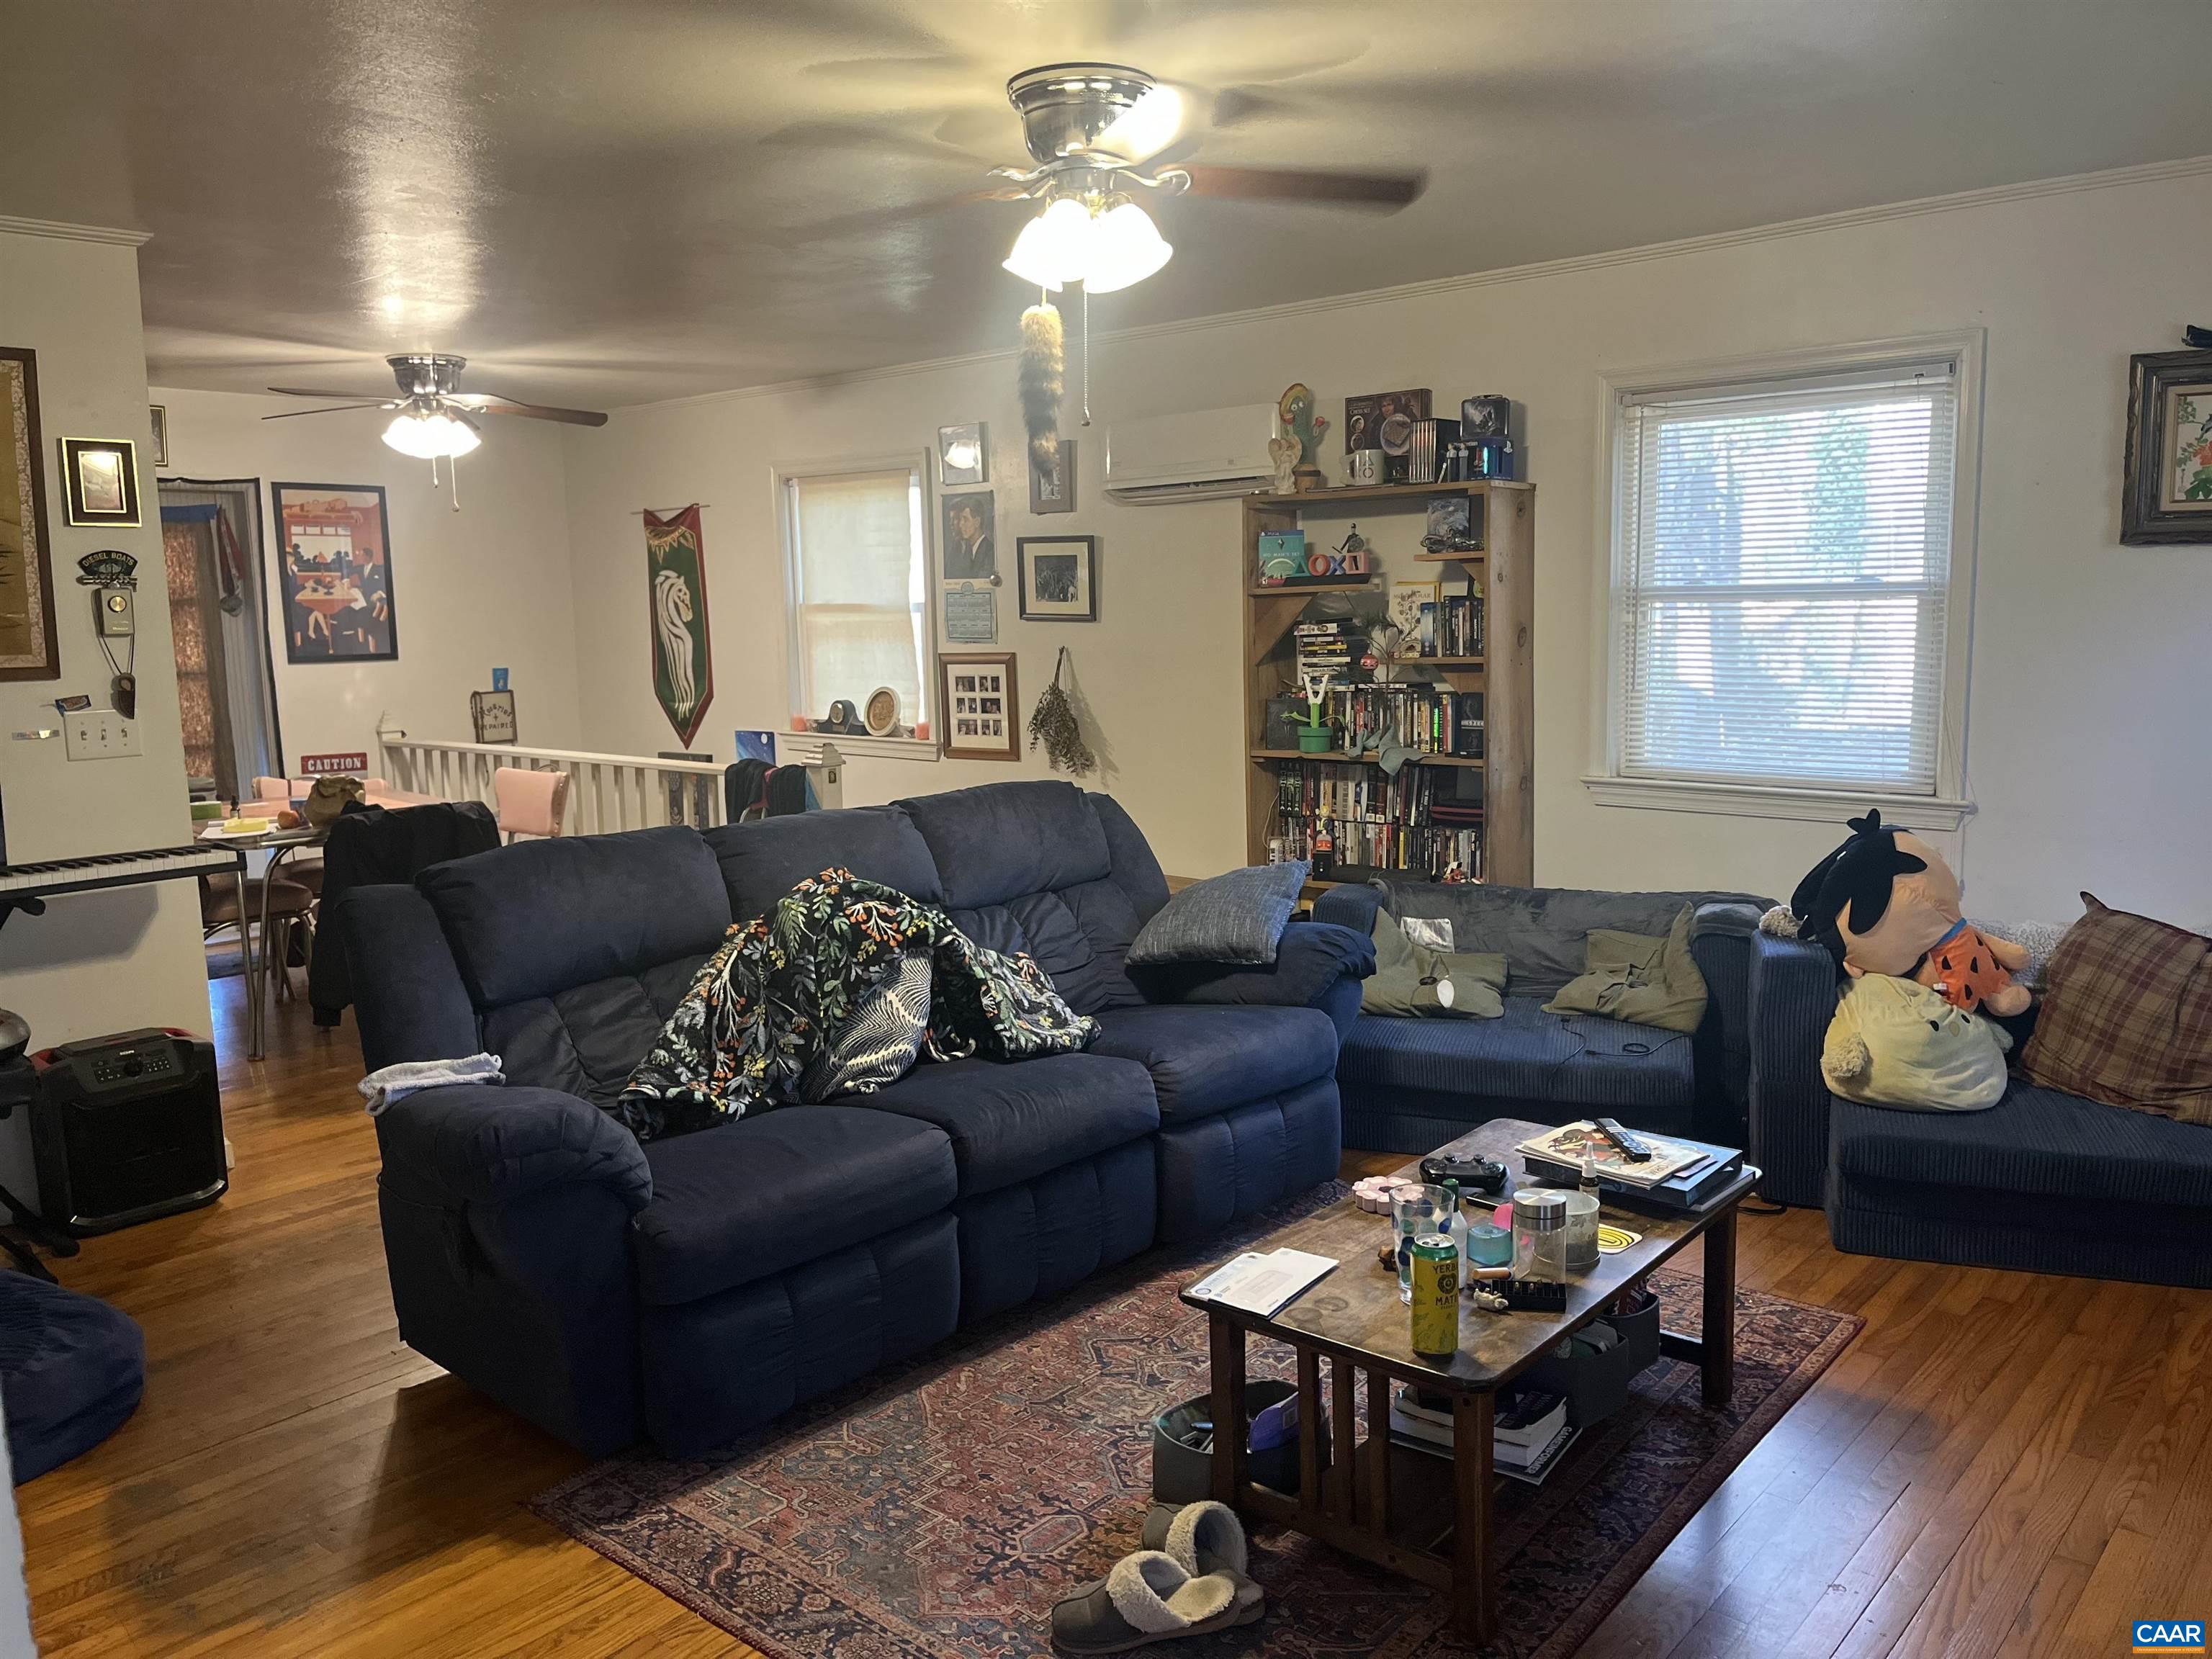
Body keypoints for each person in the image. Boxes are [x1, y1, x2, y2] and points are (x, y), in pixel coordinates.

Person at [943, 497, 994, 580]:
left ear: (977, 522)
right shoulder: (966, 552)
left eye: (965, 520)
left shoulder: (990, 551)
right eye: (960, 519)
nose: (960, 525)